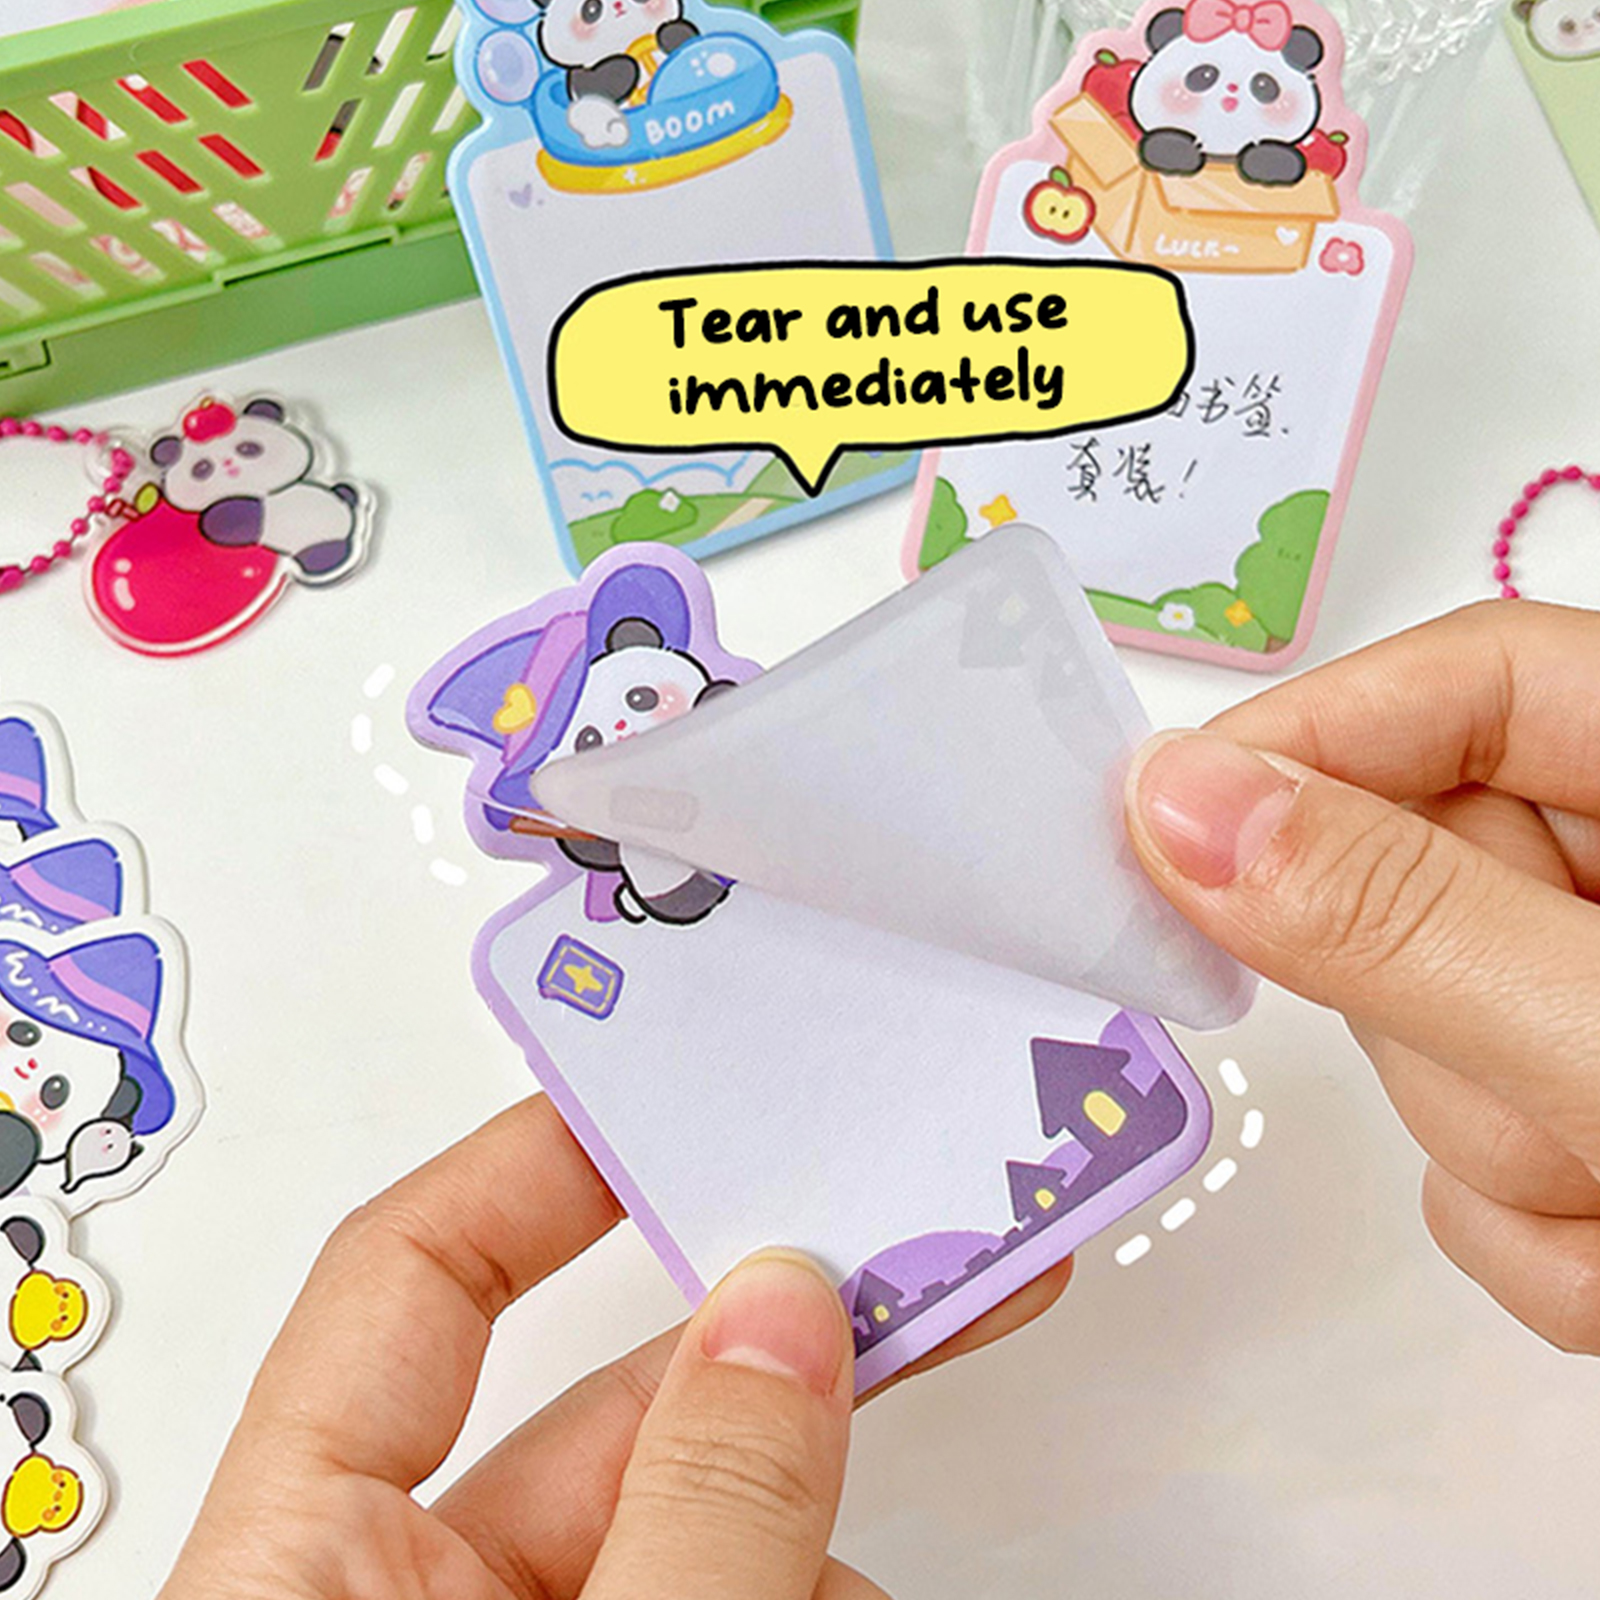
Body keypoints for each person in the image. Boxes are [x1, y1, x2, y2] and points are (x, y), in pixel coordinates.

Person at [161, 601, 1600, 1599]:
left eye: (649, 699)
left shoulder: (838, 785)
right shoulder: (583, 955)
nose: (653, 730)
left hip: (1024, 1110)